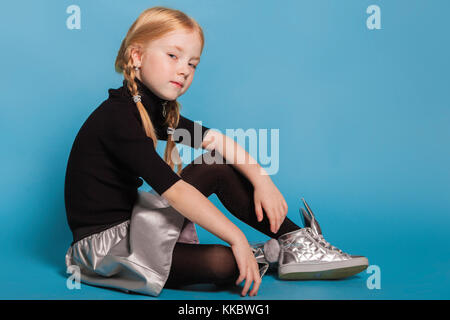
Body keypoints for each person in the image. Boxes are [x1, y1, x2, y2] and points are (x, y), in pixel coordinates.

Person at [64, 6, 368, 298]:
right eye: (173, 56)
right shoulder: (118, 117)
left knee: (217, 165)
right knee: (226, 264)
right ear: (137, 56)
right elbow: (175, 191)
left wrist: (263, 181)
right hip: (106, 248)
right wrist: (235, 237)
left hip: (136, 224)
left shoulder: (151, 111)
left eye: (192, 64)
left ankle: (295, 243)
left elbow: (217, 142)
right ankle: (268, 252)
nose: (183, 70)